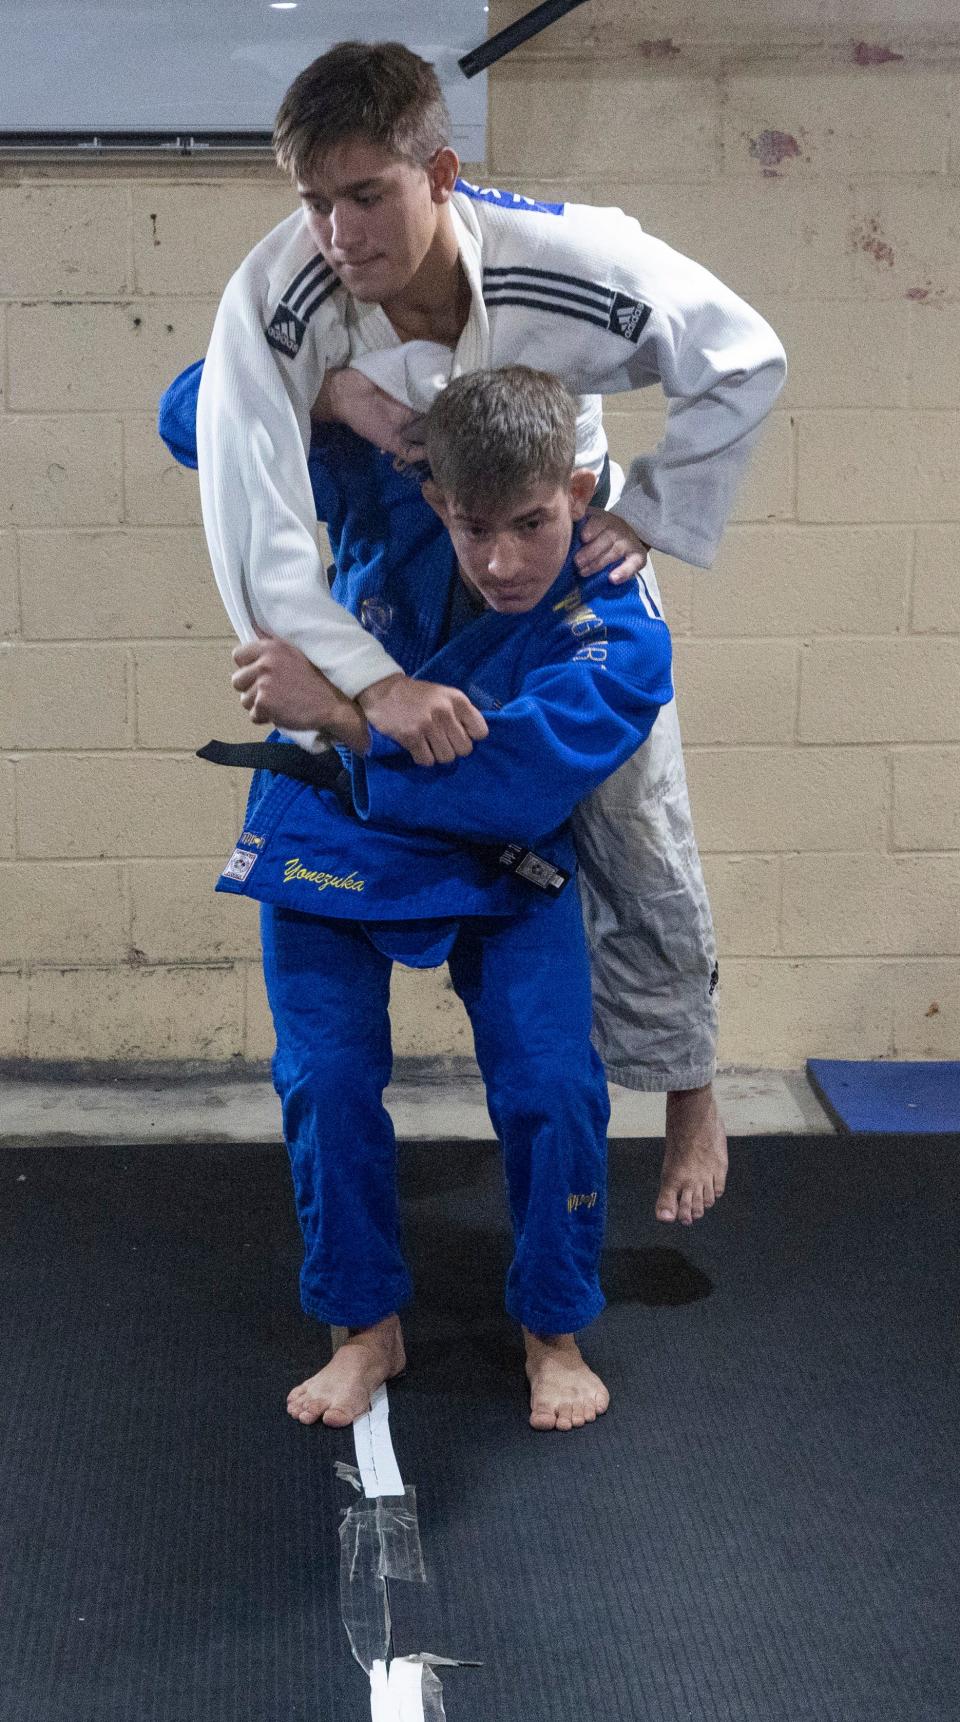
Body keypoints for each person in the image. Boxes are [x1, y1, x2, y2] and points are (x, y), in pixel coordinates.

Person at [192, 39, 788, 1225]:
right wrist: (365, 688)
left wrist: (648, 514)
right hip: (419, 558)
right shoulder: (283, 294)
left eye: (368, 196)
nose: (340, 234)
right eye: (315, 202)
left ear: (441, 173)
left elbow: (745, 358)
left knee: (640, 834)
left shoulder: (576, 262)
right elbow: (229, 477)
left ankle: (688, 1089)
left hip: (561, 542)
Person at [189, 367, 673, 1430]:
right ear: (432, 498)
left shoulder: (620, 625)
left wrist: (352, 715)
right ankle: (363, 1327)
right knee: (325, 1077)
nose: (501, 560)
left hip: (501, 844)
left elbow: (519, 778)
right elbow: (196, 417)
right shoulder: (386, 479)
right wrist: (332, 398)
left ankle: (553, 1327)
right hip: (333, 821)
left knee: (553, 1087)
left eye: (532, 524)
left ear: (581, 492)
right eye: (470, 526)